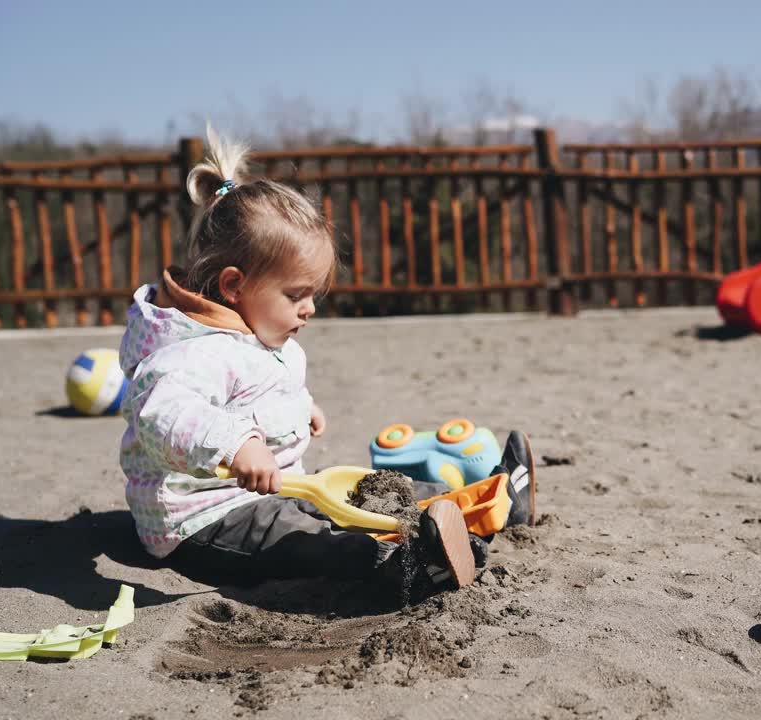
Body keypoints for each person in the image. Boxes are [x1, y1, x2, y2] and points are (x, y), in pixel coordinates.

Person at [117, 126, 535, 605]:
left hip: (286, 487)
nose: (310, 308)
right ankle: (406, 570)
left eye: (313, 294)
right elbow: (163, 412)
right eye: (296, 295)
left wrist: (301, 406)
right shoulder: (189, 352)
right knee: (304, 539)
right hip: (205, 516)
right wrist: (236, 445)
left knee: (378, 488)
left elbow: (263, 383)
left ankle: (492, 500)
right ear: (234, 286)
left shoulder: (258, 330)